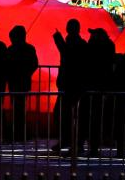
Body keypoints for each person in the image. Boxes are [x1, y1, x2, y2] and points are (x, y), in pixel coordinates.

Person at [52, 19, 88, 153]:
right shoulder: (78, 43)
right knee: (66, 114)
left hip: (73, 84)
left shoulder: (76, 44)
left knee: (70, 115)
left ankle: (75, 142)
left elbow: (68, 56)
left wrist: (59, 41)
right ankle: (70, 140)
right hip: (70, 84)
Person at [83, 27, 116, 154]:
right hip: (101, 86)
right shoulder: (108, 46)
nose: (90, 37)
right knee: (97, 117)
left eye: (93, 35)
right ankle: (95, 144)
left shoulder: (95, 47)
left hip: (94, 85)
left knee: (93, 117)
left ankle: (93, 145)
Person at [5, 25, 39, 141]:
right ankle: (21, 133)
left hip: (15, 82)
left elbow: (6, 65)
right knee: (20, 108)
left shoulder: (11, 49)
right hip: (23, 82)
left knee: (16, 108)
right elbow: (34, 64)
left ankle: (18, 133)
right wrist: (27, 73)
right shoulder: (29, 49)